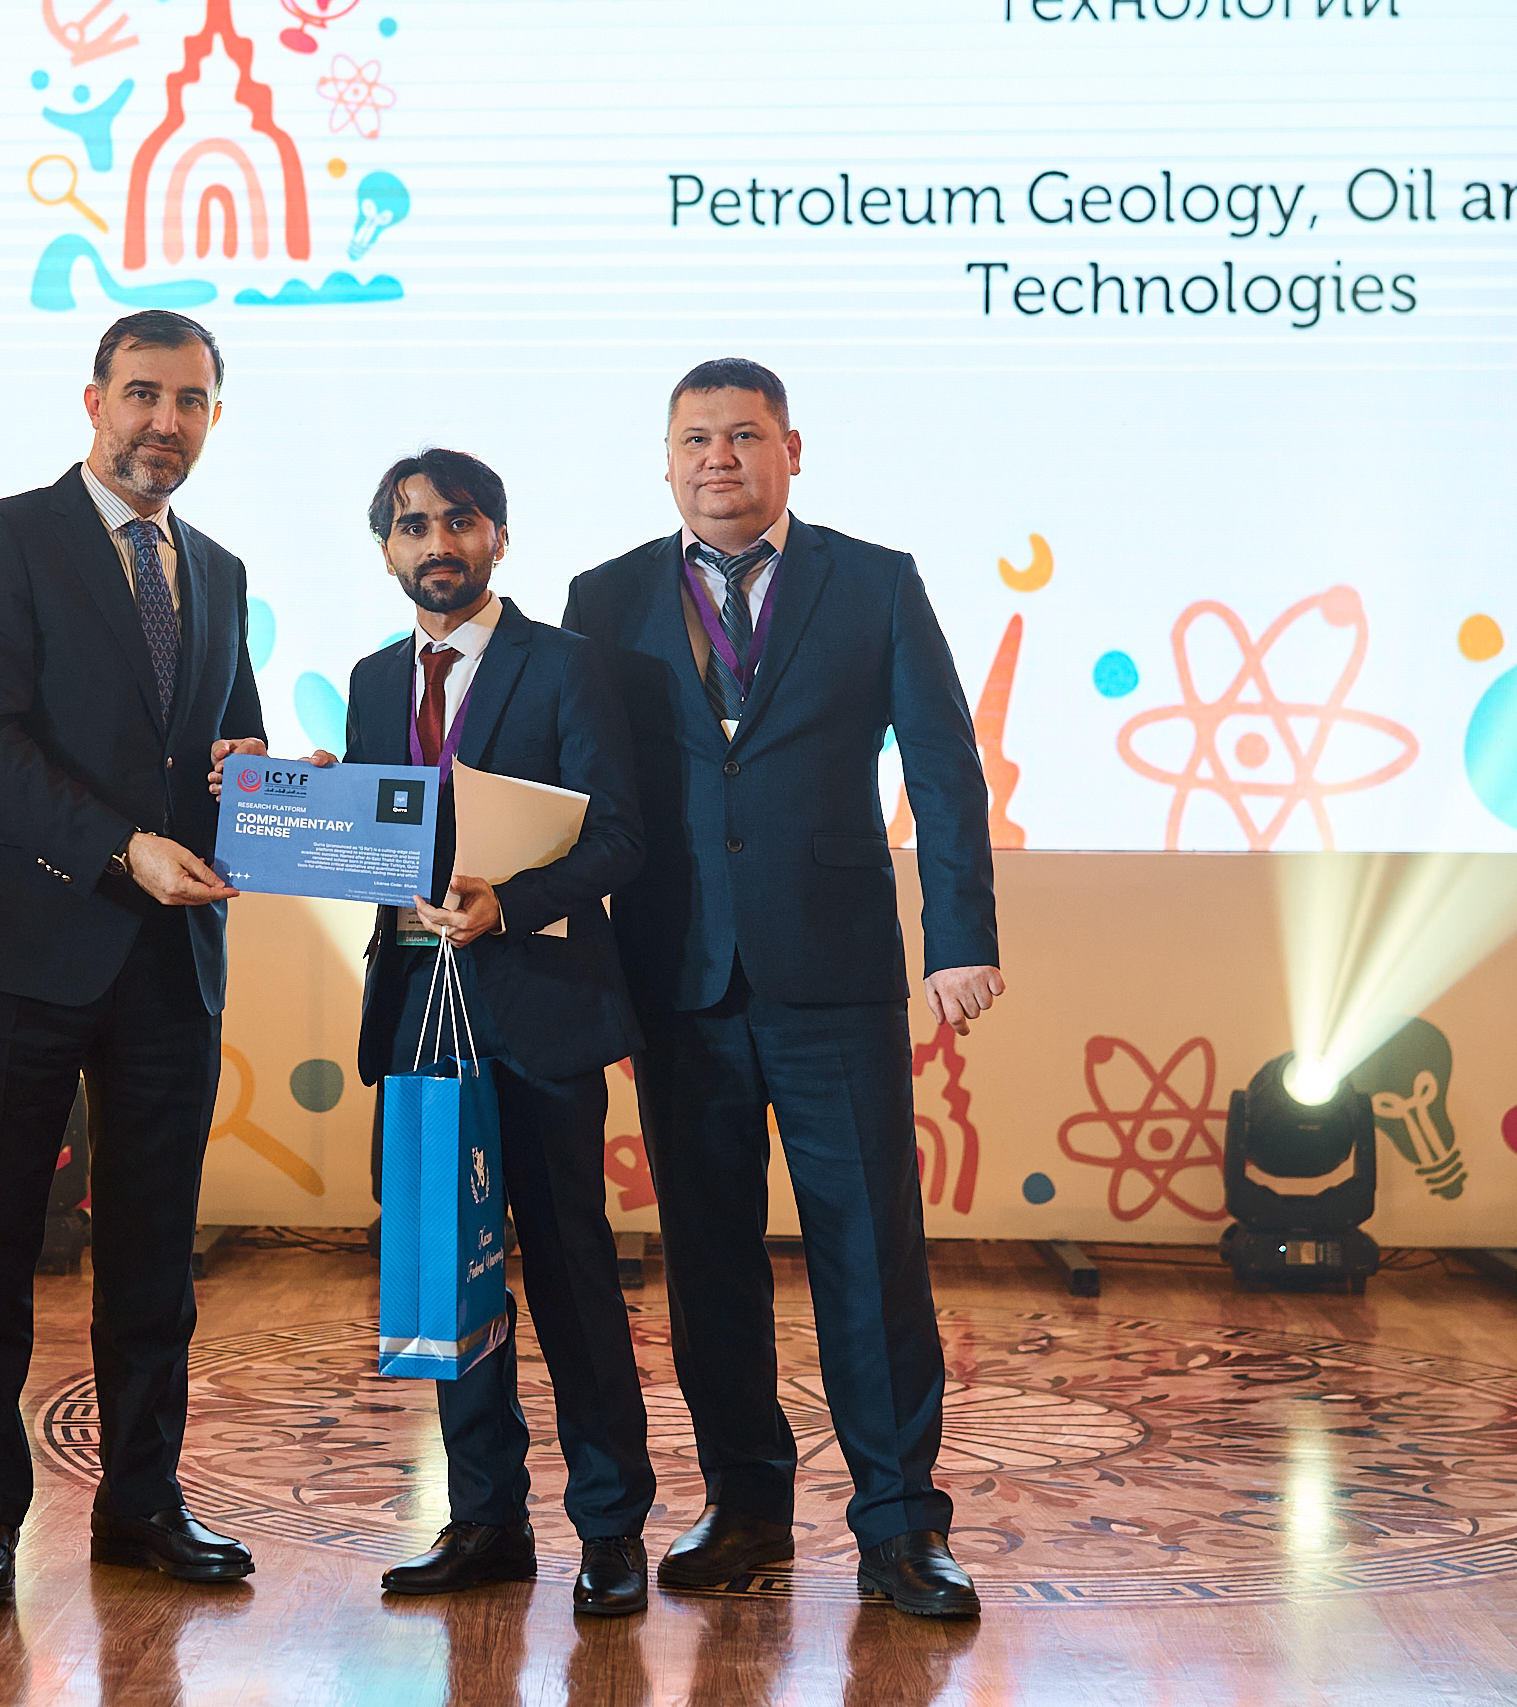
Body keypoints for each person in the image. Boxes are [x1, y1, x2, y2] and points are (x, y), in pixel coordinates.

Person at [561, 360, 1005, 1618]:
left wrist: (958, 936)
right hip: (677, 976)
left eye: (744, 436)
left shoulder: (874, 581)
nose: (720, 458)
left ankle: (901, 1526)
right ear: (665, 461)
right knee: (708, 1262)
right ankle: (744, 1506)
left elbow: (944, 767)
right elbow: (564, 772)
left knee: (870, 1255)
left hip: (834, 976)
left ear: (790, 450)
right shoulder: (603, 596)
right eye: (695, 439)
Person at [248, 448, 657, 1614]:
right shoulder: (375, 678)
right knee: (451, 1275)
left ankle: (609, 1531)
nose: (437, 543)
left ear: (498, 537)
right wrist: (311, 797)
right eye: (412, 524)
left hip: (539, 1016)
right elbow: (387, 837)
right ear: (387, 547)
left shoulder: (568, 667)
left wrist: (509, 904)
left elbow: (620, 839)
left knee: (571, 1280)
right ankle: (484, 1522)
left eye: (459, 521)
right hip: (416, 1021)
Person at [0, 310, 269, 1607]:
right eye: (142, 394)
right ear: (93, 400)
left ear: (213, 417)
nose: (164, 421)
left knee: (156, 1257)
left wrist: (260, 780)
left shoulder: (219, 569)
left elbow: (229, 741)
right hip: (14, 946)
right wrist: (124, 847)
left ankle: (142, 1503)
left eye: (190, 400)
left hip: (171, 958)